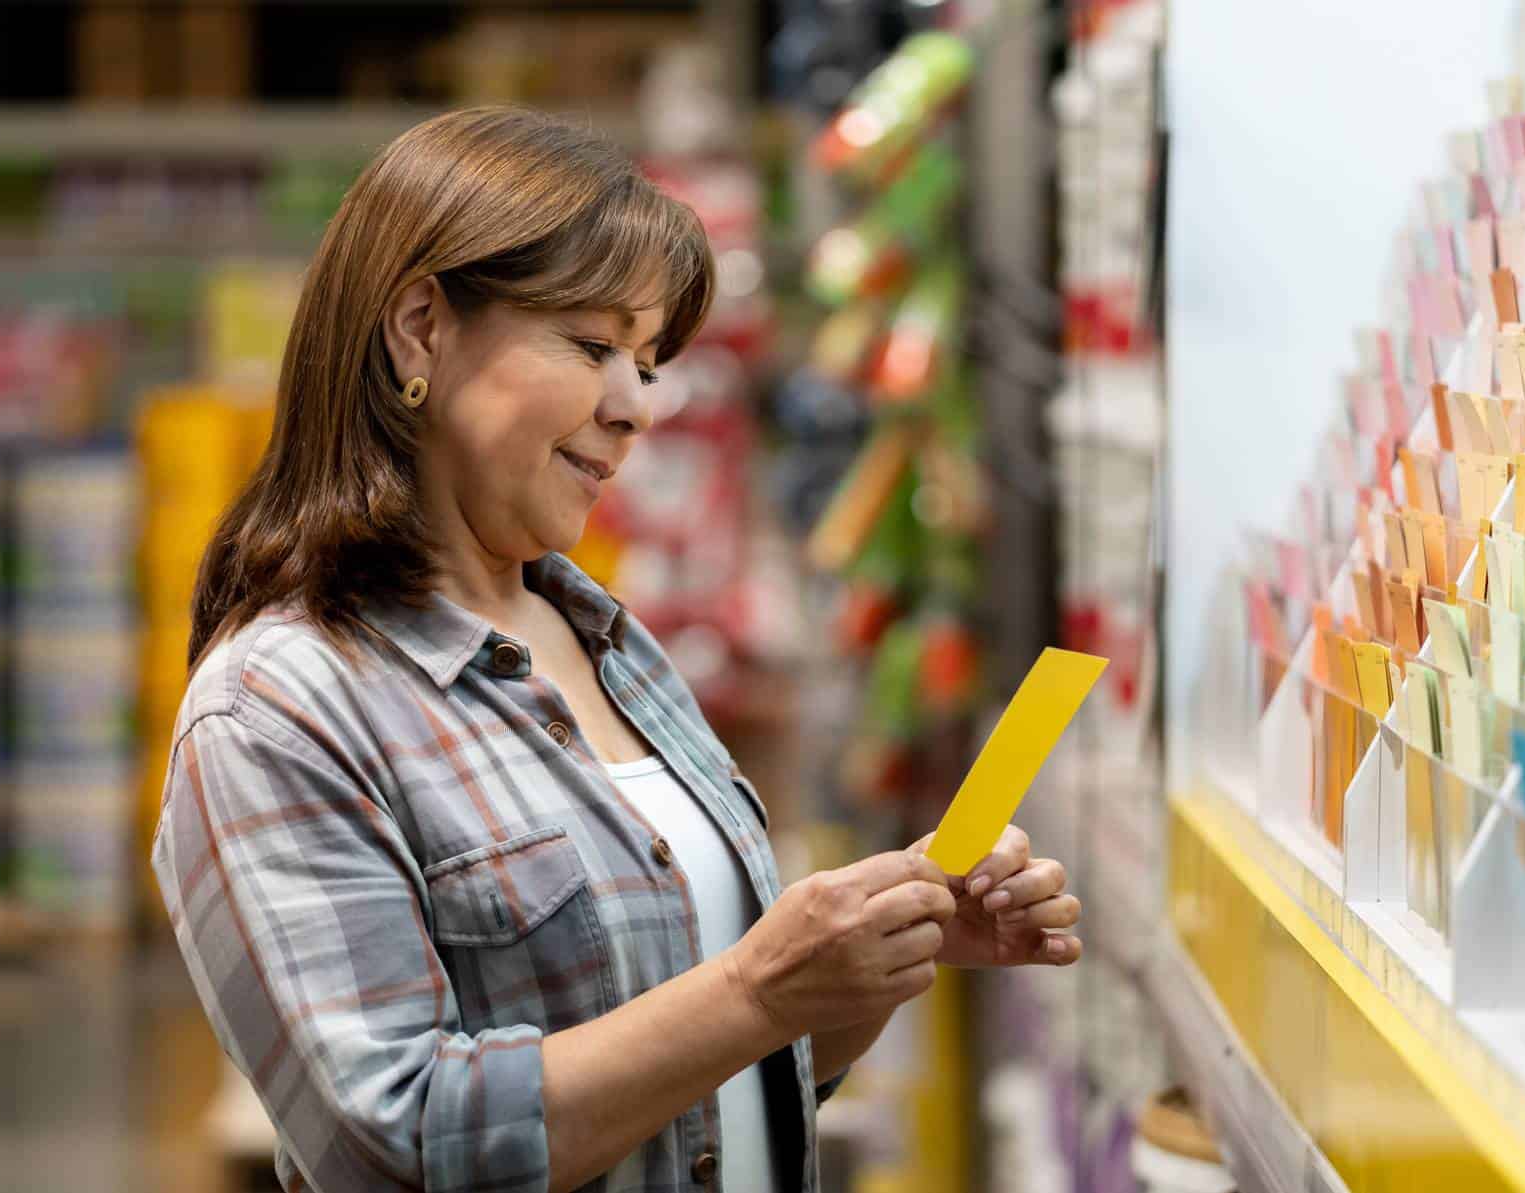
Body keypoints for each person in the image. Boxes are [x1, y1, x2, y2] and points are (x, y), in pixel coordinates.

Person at [152, 106, 1083, 1193]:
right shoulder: (281, 706)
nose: (635, 404)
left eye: (646, 361)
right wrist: (756, 987)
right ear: (418, 327)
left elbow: (704, 1095)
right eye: (592, 346)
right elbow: (390, 1144)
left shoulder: (610, 645)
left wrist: (857, 972)